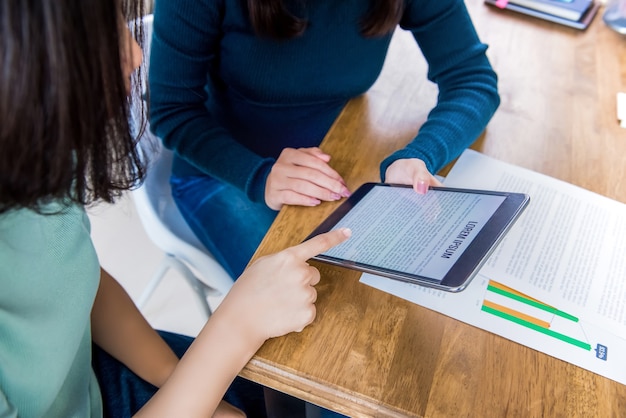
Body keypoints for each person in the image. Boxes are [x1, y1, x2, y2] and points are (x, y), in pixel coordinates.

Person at [0, 1, 350, 417]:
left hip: (90, 379)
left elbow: (76, 276)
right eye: (96, 35)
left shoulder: (33, 156)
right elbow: (173, 112)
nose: (133, 54)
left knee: (297, 387)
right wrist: (234, 327)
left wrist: (175, 376)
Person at [148, 0, 500, 280]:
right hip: (230, 172)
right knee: (307, 308)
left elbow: (472, 81)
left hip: (340, 152)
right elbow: (173, 110)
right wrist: (259, 176)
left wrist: (419, 156)